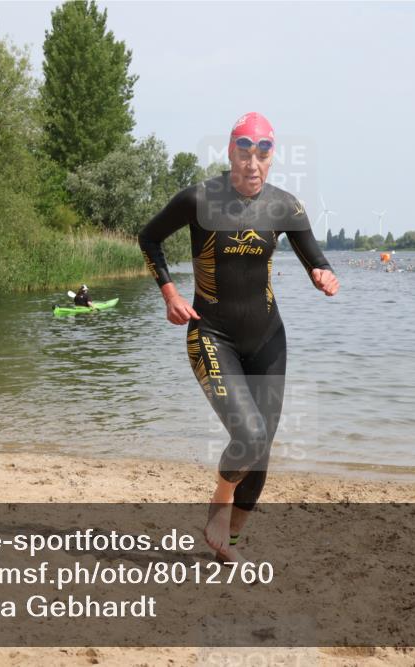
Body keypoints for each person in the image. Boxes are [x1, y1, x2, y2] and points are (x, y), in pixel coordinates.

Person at [138, 112, 339, 562]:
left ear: (272, 158)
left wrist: (324, 275)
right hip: (211, 334)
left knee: (261, 447)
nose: (252, 162)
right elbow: (148, 238)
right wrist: (169, 293)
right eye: (244, 151)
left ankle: (228, 543)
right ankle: (219, 502)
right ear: (230, 152)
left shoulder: (286, 206)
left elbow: (316, 259)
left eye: (262, 153)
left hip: (268, 338)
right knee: (247, 435)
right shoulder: (198, 199)